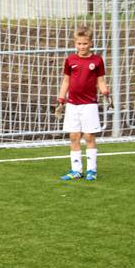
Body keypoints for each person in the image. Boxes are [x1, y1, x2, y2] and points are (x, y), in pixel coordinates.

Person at [55, 26, 110, 182]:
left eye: (85, 43)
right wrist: (61, 98)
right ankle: (76, 170)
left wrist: (106, 93)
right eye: (79, 43)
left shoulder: (97, 60)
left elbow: (100, 81)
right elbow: (66, 80)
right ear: (75, 43)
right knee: (73, 136)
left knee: (89, 136)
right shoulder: (70, 60)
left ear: (90, 43)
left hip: (89, 104)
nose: (82, 47)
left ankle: (92, 170)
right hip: (72, 104)